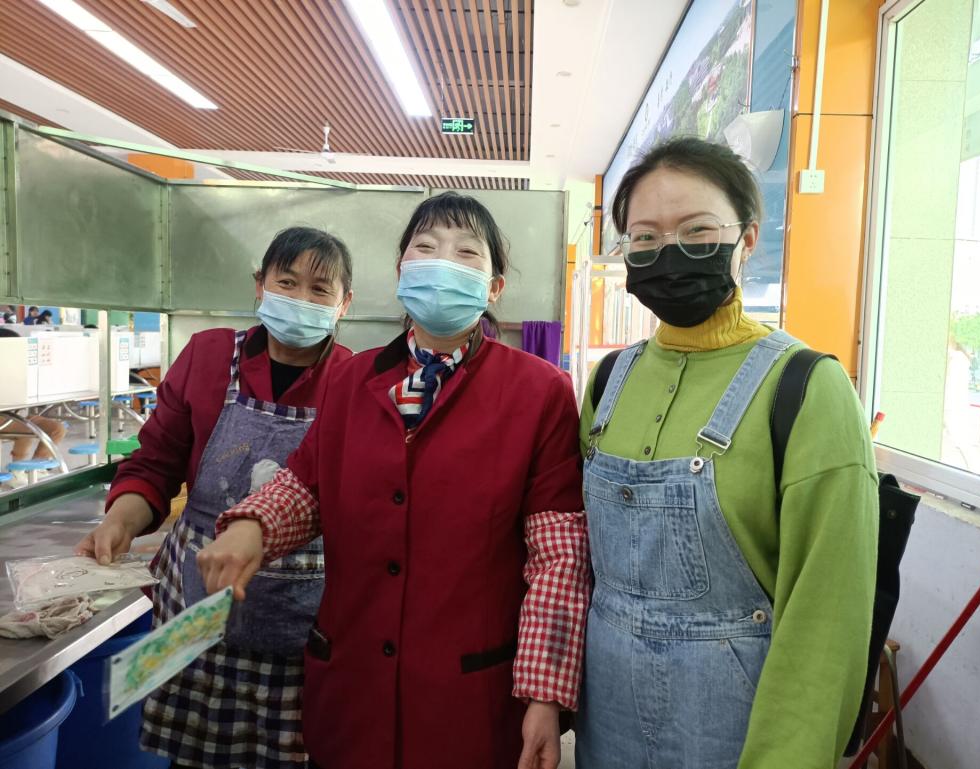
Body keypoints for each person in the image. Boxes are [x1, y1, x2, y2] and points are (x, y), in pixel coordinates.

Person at [197, 192, 590, 769]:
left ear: (494, 288)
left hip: (467, 702)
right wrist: (251, 526)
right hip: (351, 692)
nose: (442, 263)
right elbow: (306, 486)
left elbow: (558, 557)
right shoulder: (353, 380)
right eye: (425, 248)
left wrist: (544, 694)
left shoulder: (540, 392)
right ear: (402, 270)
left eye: (466, 253)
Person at [573, 138, 879, 769]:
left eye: (697, 230)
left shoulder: (807, 388)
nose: (669, 253)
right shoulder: (608, 382)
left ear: (748, 239)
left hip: (735, 731)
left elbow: (827, 615)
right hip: (606, 724)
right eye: (645, 238)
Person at [75, 226, 355, 769]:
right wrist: (120, 522)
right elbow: (156, 461)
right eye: (287, 282)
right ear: (260, 285)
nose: (301, 298)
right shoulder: (208, 355)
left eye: (320, 289)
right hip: (192, 601)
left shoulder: (353, 382)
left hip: (301, 614)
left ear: (344, 304)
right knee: (187, 756)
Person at [0, 329, 66, 487]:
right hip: (6, 417)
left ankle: (34, 468)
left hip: (19, 415)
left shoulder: (21, 369)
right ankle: (17, 472)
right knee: (28, 427)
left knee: (57, 428)